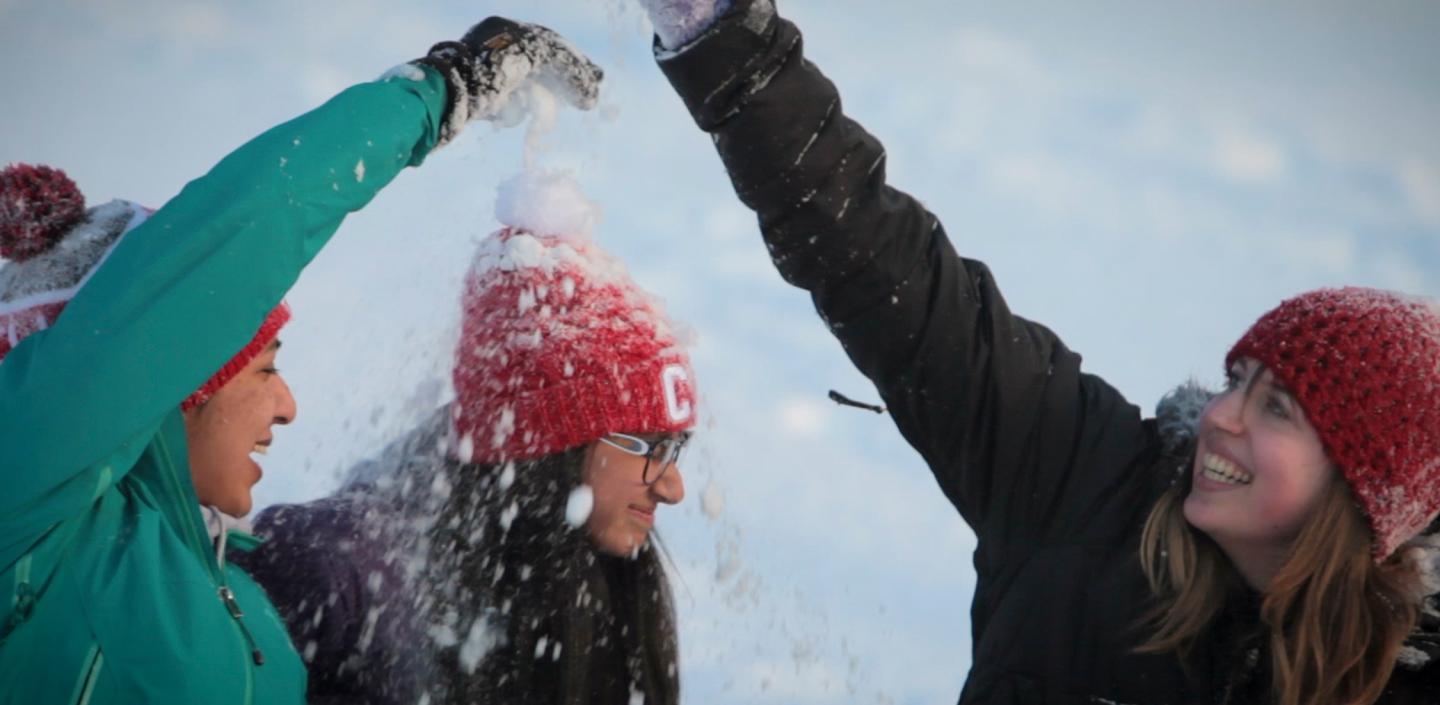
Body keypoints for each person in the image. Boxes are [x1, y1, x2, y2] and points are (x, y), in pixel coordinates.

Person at [631, 1, 1440, 703]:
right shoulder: (1080, 479)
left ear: (1367, 491)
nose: (1221, 416)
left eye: (1276, 408)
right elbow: (884, 264)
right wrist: (721, 36)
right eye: (1239, 380)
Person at [0, 18, 600, 705]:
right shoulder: (23, 494)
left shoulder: (214, 567)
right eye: (264, 369)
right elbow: (237, 234)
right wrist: (439, 92)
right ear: (170, 377)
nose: (288, 405)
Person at [237, 175, 697, 705]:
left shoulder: (604, 576)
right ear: (544, 444)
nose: (673, 488)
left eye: (675, 446)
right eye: (646, 446)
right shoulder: (335, 568)